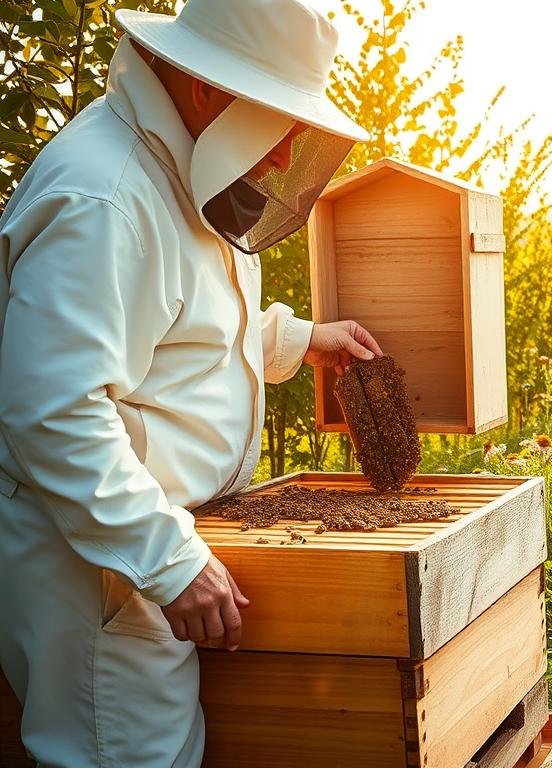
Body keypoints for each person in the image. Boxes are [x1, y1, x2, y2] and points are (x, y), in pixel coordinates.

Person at [0, 0, 375, 764]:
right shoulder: (105, 196)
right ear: (208, 87)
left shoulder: (177, 162)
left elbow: (180, 331)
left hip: (134, 558)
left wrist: (299, 340)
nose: (281, 155)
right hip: (102, 571)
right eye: (278, 120)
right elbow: (53, 410)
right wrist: (168, 559)